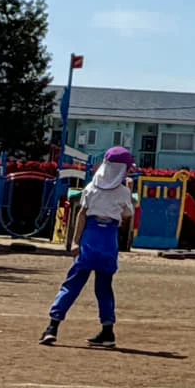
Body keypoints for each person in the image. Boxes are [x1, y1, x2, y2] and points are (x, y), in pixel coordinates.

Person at [42, 146, 133, 348]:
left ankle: (53, 326)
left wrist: (76, 241)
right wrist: (129, 192)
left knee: (72, 283)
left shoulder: (91, 188)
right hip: (109, 239)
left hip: (90, 237)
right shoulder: (124, 191)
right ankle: (108, 330)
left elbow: (82, 214)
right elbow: (128, 215)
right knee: (104, 287)